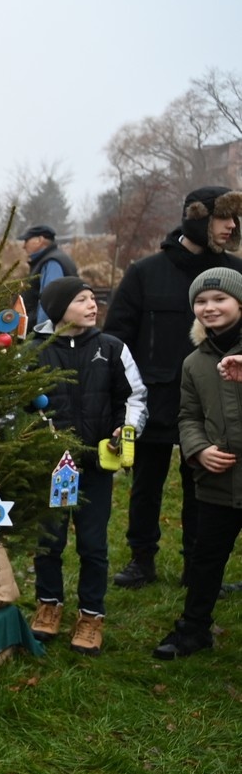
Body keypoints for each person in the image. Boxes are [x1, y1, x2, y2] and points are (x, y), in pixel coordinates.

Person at [102, 185, 242, 589]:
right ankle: (141, 558)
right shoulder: (145, 272)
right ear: (197, 219)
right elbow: (118, 339)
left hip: (216, 401)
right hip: (155, 400)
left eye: (234, 219)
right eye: (222, 217)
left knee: (204, 486)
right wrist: (124, 399)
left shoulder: (234, 274)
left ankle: (196, 566)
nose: (231, 226)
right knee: (147, 484)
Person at [28, 278, 146, 655]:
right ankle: (48, 605)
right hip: (53, 467)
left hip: (95, 467)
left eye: (93, 299)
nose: (92, 305)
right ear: (59, 308)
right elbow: (18, 404)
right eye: (81, 300)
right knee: (49, 541)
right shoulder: (35, 351)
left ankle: (91, 615)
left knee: (93, 544)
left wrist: (125, 429)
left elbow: (134, 396)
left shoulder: (111, 349)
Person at [161, 267, 242, 658]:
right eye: (201, 301)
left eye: (219, 299)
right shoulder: (194, 363)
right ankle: (193, 629)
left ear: (239, 302)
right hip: (218, 482)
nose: (209, 308)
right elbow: (188, 416)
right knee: (206, 557)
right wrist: (198, 449)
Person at [19, 224, 79, 333]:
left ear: (40, 240)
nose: (24, 246)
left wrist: (42, 333)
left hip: (47, 335)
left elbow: (49, 301)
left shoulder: (52, 262)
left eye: (26, 240)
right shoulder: (50, 259)